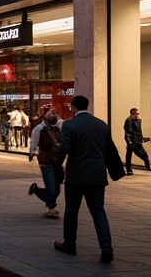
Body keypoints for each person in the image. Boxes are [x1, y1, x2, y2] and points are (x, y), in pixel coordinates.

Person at [53, 94, 116, 263]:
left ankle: (69, 244)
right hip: (97, 174)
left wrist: (56, 164)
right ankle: (106, 248)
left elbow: (64, 148)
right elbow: (109, 148)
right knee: (98, 211)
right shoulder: (101, 124)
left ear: (73, 107)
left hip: (77, 175)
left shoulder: (69, 124)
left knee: (72, 209)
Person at [28, 107, 62, 218]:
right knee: (51, 186)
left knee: (56, 188)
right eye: (50, 114)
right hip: (46, 161)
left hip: (56, 161)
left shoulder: (57, 127)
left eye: (54, 115)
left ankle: (36, 189)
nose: (53, 116)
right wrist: (32, 153)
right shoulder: (39, 129)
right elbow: (34, 142)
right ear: (44, 117)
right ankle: (51, 208)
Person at [123, 107, 150, 175]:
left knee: (133, 154)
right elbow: (128, 131)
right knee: (139, 154)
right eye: (137, 113)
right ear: (133, 113)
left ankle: (129, 169)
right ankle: (129, 169)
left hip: (136, 140)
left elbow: (138, 131)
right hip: (134, 141)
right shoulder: (129, 120)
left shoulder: (137, 120)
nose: (138, 115)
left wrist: (142, 138)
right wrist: (129, 141)